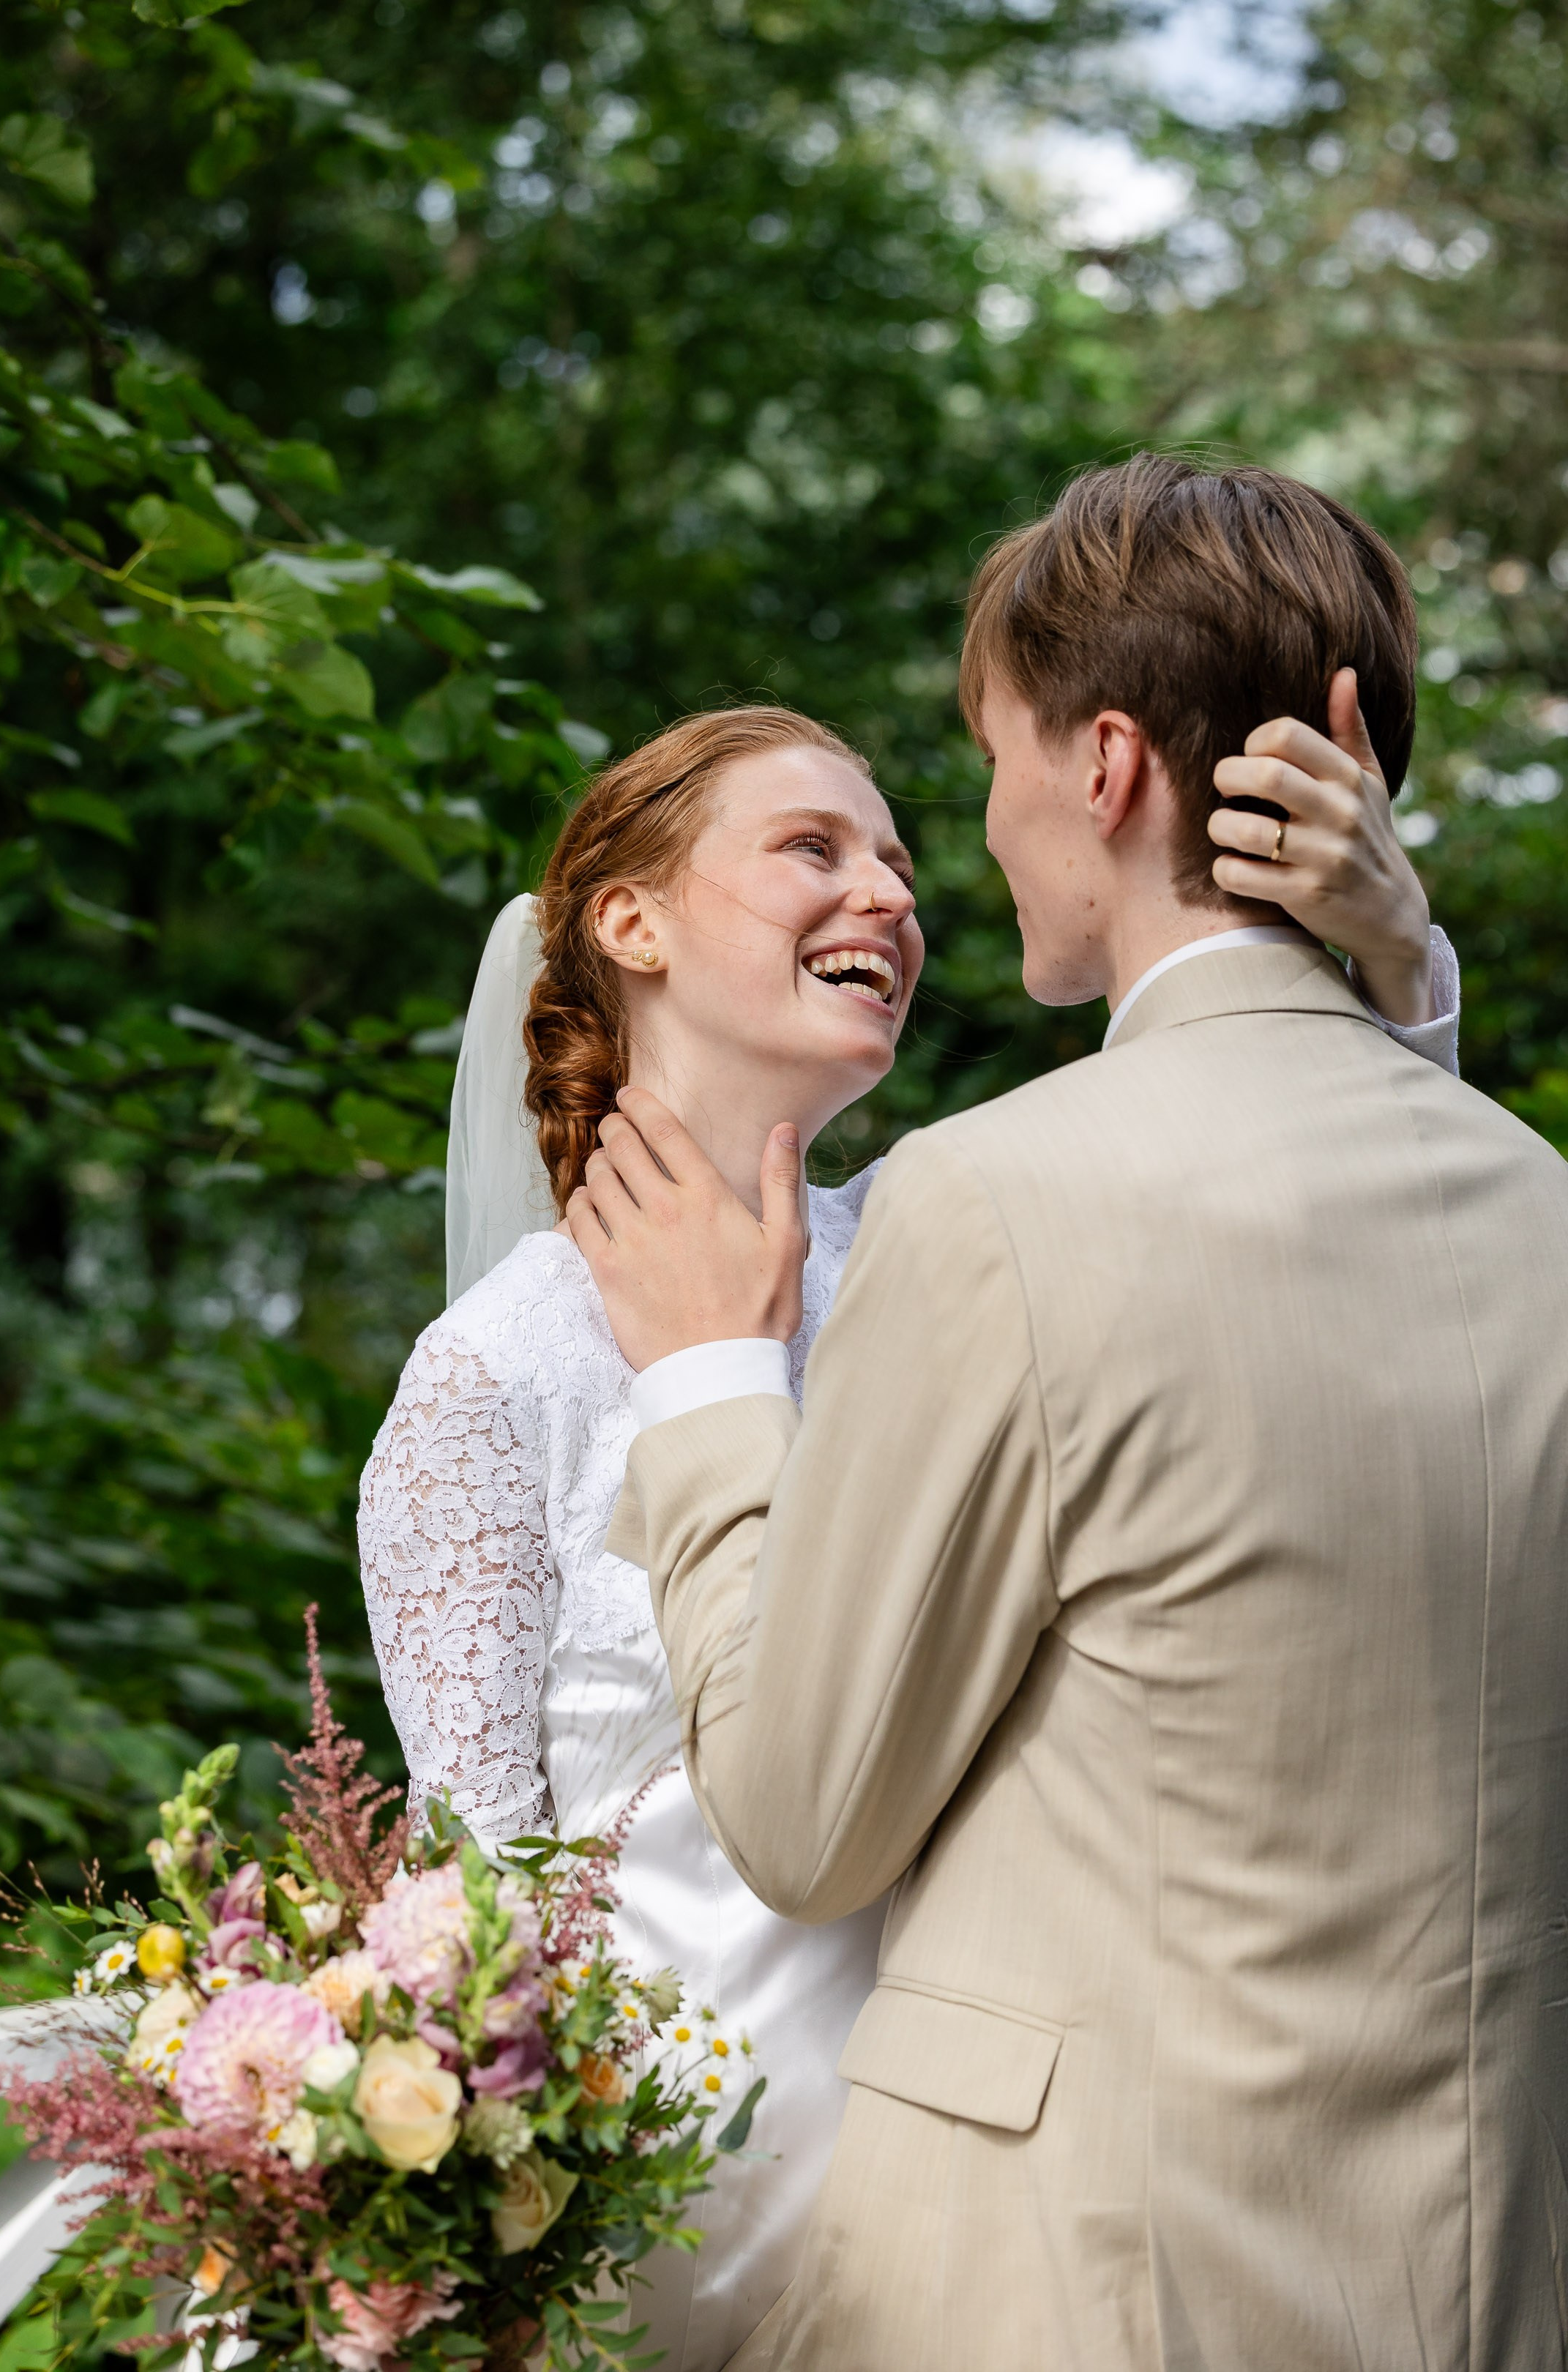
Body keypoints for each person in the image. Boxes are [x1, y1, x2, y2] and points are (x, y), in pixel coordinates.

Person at [568, 458, 1568, 2371]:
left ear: (1104, 767)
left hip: (1068, 2301)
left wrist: (706, 1378)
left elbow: (798, 1817)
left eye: (996, 764)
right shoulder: (1541, 1209)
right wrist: (1404, 982)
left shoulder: (994, 1199)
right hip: (1485, 2286)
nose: (985, 830)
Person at [359, 655, 1460, 2366]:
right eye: (815, 849)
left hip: (993, 2198)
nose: (889, 892)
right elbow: (464, 1892)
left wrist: (1403, 979)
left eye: (900, 863)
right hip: (648, 2216)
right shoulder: (496, 1374)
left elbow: (1293, 1243)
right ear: (632, 928)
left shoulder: (977, 1242)